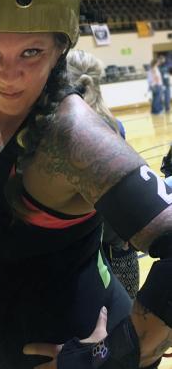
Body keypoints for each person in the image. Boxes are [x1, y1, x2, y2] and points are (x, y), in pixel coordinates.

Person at [0, 0, 172, 369]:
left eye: (31, 52)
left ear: (59, 48)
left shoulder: (70, 134)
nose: (8, 76)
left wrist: (111, 354)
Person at [66, 49, 139, 300]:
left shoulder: (65, 132)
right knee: (121, 324)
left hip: (90, 248)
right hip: (117, 241)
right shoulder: (114, 125)